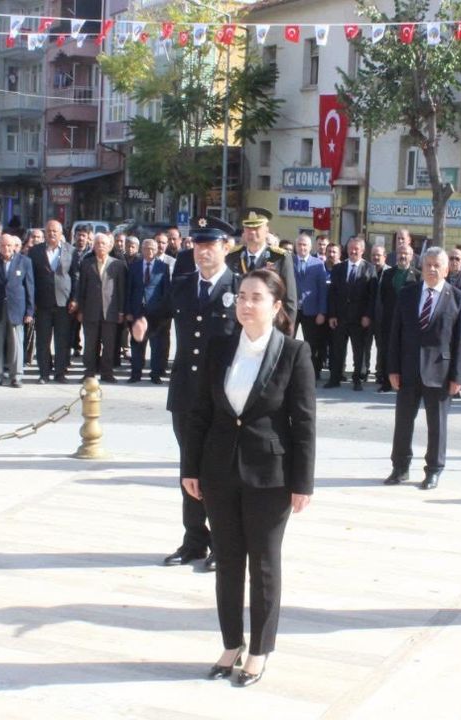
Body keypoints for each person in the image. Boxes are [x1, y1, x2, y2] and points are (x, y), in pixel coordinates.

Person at [179, 268, 316, 688]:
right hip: (219, 471)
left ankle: (259, 649)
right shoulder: (220, 347)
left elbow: (304, 423)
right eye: (241, 296)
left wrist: (303, 483)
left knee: (264, 563)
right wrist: (190, 468)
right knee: (226, 561)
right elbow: (200, 412)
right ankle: (230, 643)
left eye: (256, 297)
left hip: (271, 476)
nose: (246, 304)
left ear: (275, 307)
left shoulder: (293, 352)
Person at [163, 217, 243, 571]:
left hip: (221, 396)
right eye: (197, 244)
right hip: (186, 394)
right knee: (189, 468)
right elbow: (157, 312)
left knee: (219, 473)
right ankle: (194, 539)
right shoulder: (182, 285)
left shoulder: (239, 287)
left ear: (226, 247)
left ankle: (224, 544)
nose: (202, 251)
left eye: (209, 245)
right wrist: (142, 321)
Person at [384, 247, 461, 490]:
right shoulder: (408, 294)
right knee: (403, 422)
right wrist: (392, 368)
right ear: (421, 267)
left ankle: (433, 470)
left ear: (446, 270)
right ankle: (400, 467)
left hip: (440, 372)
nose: (432, 269)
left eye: (437, 265)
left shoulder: (459, 298)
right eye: (428, 265)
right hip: (408, 369)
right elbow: (395, 333)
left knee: (437, 425)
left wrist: (458, 376)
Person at [27, 219, 81, 383]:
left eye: (55, 231)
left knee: (62, 340)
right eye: (49, 231)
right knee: (43, 341)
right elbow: (30, 278)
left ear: (61, 233)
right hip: (42, 303)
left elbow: (75, 276)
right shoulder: (35, 251)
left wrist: (75, 299)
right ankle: (44, 373)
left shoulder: (71, 251)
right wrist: (32, 302)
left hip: (64, 303)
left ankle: (60, 373)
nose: (51, 234)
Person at [225, 209, 298, 317]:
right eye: (248, 228)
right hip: (238, 322)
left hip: (269, 322)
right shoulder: (232, 256)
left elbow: (290, 299)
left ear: (266, 230)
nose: (252, 232)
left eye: (256, 228)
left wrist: (287, 327)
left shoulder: (280, 258)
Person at [0, 233, 35, 388]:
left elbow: (29, 287)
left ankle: (16, 376)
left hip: (17, 308)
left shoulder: (24, 261)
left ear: (14, 247)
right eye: (3, 245)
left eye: (9, 245)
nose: (6, 248)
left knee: (16, 343)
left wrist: (29, 311)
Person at [325, 236, 376, 390]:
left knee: (358, 351)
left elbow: (372, 296)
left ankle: (357, 380)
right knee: (337, 349)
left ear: (362, 250)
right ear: (346, 250)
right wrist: (332, 315)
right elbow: (332, 293)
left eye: (356, 249)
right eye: (350, 248)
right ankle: (334, 379)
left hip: (359, 318)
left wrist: (367, 315)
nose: (353, 251)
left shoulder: (370, 268)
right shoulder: (338, 268)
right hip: (340, 317)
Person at [76, 233, 127, 382]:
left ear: (110, 246)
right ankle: (89, 373)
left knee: (109, 345)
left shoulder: (117, 265)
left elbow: (121, 289)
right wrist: (80, 310)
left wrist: (121, 311)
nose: (100, 246)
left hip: (110, 311)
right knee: (90, 345)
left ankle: (107, 373)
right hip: (90, 310)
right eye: (97, 243)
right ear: (93, 246)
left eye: (103, 243)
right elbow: (81, 288)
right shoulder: (86, 264)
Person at [374, 243, 420, 393]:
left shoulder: (417, 275)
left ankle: (405, 381)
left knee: (406, 351)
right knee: (388, 350)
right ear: (396, 255)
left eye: (406, 253)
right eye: (400, 253)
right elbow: (382, 296)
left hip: (408, 321)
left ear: (411, 257)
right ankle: (387, 382)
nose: (403, 256)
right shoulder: (388, 274)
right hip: (389, 319)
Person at [125, 237, 171, 384]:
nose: (149, 251)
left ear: (156, 250)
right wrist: (128, 311)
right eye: (146, 248)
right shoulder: (134, 266)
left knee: (156, 345)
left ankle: (155, 375)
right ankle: (136, 374)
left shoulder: (163, 267)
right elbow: (129, 290)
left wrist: (163, 312)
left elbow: (166, 291)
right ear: (142, 250)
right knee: (137, 344)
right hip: (137, 311)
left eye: (152, 249)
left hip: (155, 314)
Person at [291, 234, 328, 379]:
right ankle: (289, 373)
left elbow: (323, 290)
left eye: (305, 245)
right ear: (295, 246)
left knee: (311, 344)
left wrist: (322, 312)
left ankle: (311, 374)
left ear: (310, 247)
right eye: (299, 244)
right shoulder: (289, 261)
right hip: (292, 309)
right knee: (288, 342)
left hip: (311, 311)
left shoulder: (318, 264)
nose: (302, 247)